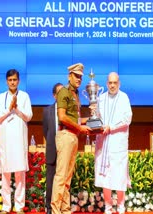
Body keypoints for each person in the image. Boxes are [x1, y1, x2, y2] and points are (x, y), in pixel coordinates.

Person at [51, 63, 92, 214]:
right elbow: (62, 117)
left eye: (81, 76)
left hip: (74, 135)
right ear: (69, 76)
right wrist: (80, 127)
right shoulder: (64, 92)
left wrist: (91, 121)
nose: (79, 79)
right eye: (76, 75)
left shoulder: (76, 94)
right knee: (61, 176)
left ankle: (65, 209)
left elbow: (77, 119)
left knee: (67, 178)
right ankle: (56, 210)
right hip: (66, 135)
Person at [0, 69, 33, 214]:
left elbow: (28, 116)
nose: (12, 82)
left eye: (15, 80)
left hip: (19, 140)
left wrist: (17, 108)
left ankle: (19, 206)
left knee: (19, 174)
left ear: (19, 81)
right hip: (5, 141)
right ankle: (5, 206)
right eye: (10, 80)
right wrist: (9, 109)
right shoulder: (0, 97)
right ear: (6, 81)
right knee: (5, 174)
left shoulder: (24, 96)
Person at [94, 72, 132, 214]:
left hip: (118, 144)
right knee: (106, 178)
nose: (112, 85)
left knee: (119, 178)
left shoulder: (124, 97)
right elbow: (96, 118)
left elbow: (128, 118)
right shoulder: (101, 98)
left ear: (119, 83)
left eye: (115, 82)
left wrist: (112, 127)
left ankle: (121, 207)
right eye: (110, 82)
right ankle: (108, 207)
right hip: (103, 145)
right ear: (106, 83)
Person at [43, 82, 63, 214]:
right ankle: (49, 208)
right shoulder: (47, 111)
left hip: (65, 149)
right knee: (50, 180)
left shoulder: (69, 110)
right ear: (54, 95)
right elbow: (46, 131)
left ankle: (62, 206)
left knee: (64, 180)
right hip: (51, 148)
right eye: (60, 93)